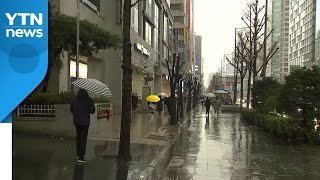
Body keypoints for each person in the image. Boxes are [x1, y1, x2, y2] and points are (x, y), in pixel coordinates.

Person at [70, 89, 95, 163]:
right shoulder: (88, 100)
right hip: (85, 122)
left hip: (77, 121)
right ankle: (81, 157)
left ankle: (78, 154)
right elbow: (92, 111)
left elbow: (71, 109)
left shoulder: (74, 99)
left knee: (78, 138)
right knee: (83, 139)